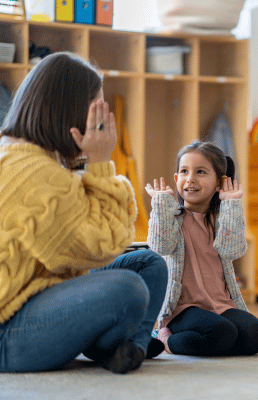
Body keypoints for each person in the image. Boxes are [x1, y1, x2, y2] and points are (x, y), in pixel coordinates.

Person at [0, 52, 168, 374]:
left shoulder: (20, 153)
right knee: (127, 288)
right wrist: (101, 161)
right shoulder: (37, 173)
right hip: (9, 333)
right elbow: (103, 246)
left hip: (37, 296)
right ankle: (131, 342)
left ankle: (130, 344)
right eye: (97, 114)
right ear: (72, 113)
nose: (100, 126)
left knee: (148, 263)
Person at [146, 140, 258, 356]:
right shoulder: (171, 217)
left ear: (219, 183)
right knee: (221, 333)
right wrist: (161, 204)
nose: (190, 179)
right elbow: (160, 246)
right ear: (176, 179)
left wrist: (230, 204)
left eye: (200, 172)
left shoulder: (223, 217)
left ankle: (215, 342)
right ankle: (166, 338)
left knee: (255, 336)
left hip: (221, 305)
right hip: (183, 309)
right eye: (184, 171)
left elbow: (233, 250)